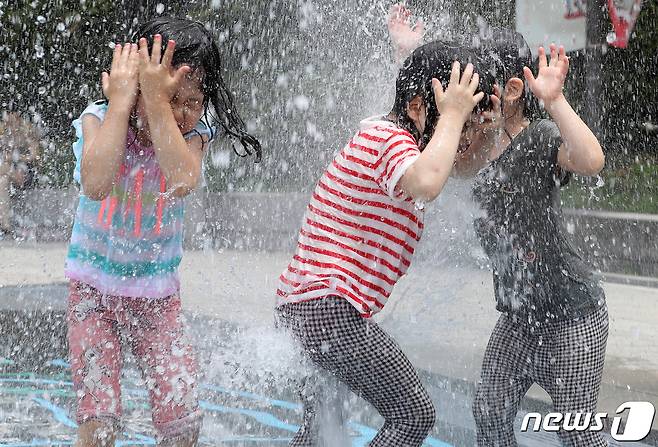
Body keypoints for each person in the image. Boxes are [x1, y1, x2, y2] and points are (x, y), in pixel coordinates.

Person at [275, 41, 495, 447]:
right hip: (330, 310)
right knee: (414, 415)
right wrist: (451, 114)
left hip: (302, 307)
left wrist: (412, 57)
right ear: (417, 108)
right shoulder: (392, 142)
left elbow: (449, 165)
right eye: (457, 125)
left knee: (323, 431)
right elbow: (428, 182)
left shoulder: (385, 132)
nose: (460, 139)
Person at [64, 18, 261, 447]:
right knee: (99, 424)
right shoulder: (99, 119)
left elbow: (179, 181)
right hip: (92, 297)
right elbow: (95, 184)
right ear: (132, 86)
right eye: (172, 97)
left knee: (182, 423)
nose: (184, 111)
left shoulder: (193, 136)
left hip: (158, 302)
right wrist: (121, 104)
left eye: (194, 101)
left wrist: (156, 100)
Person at [456, 31, 609, 447]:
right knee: (488, 414)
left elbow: (591, 161)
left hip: (572, 317)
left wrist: (555, 102)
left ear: (511, 89)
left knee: (576, 433)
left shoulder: (538, 138)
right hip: (519, 319)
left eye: (479, 88)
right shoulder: (469, 145)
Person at [0, 111, 40, 236]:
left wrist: (17, 157)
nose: (9, 119)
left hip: (25, 172)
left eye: (12, 115)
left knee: (5, 171)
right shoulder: (3, 131)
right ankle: (5, 224)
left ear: (18, 116)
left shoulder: (27, 131)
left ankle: (5, 224)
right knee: (3, 181)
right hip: (9, 172)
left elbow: (35, 156)